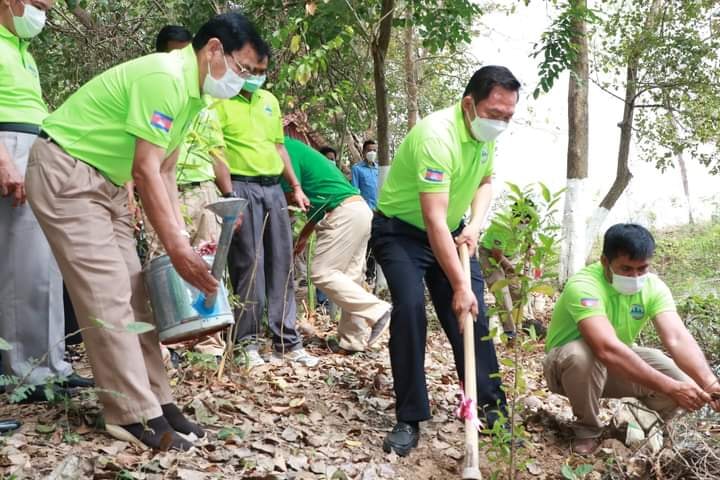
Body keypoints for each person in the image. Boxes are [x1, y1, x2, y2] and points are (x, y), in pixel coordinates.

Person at [25, 11, 264, 450]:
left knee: (138, 295)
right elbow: (146, 168)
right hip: (68, 174)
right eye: (243, 68)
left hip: (109, 186)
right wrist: (176, 249)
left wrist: (181, 242)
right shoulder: (165, 77)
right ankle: (131, 415)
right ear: (213, 48)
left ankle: (159, 401)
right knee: (108, 294)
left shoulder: (194, 96)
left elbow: (167, 171)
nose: (244, 81)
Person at [371, 65, 521, 456]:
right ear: (469, 104)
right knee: (410, 310)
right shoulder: (437, 136)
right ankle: (409, 417)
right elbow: (432, 219)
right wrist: (458, 284)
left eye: (508, 116)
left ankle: (490, 409)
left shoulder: (485, 137)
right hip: (401, 231)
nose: (501, 123)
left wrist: (474, 224)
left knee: (474, 317)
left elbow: (485, 182)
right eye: (494, 114)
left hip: (452, 233)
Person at [544, 223, 720, 454]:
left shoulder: (654, 287)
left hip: (614, 367)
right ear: (605, 261)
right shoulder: (583, 285)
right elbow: (606, 348)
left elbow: (677, 338)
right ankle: (587, 430)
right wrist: (671, 387)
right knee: (583, 354)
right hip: (567, 369)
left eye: (642, 269)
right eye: (626, 269)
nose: (635, 276)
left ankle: (644, 422)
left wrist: (711, 384)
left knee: (682, 379)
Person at [0, 0, 92, 403]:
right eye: (38, 4)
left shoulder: (22, 51)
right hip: (9, 147)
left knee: (46, 265)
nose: (44, 13)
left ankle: (53, 364)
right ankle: (28, 372)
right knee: (23, 269)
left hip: (35, 147)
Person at [213, 44, 318, 368]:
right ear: (236, 67)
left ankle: (287, 341)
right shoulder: (218, 103)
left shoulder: (269, 101)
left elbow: (280, 148)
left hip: (273, 188)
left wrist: (296, 187)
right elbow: (217, 153)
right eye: (250, 70)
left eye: (262, 72)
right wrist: (230, 196)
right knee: (248, 265)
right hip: (241, 186)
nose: (256, 77)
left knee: (282, 263)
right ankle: (247, 343)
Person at [143, 25, 234, 359]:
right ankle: (165, 344)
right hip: (164, 188)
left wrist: (227, 199)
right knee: (161, 262)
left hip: (204, 190)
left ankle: (209, 343)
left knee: (209, 260)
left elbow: (217, 153)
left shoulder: (206, 102)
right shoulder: (156, 88)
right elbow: (141, 158)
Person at [283, 137, 391, 353]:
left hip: (342, 213)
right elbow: (314, 200)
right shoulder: (300, 151)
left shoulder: (283, 150)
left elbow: (290, 195)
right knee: (351, 278)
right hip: (358, 209)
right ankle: (352, 341)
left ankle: (377, 309)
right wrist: (304, 235)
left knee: (322, 272)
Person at [478, 201, 536, 340]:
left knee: (516, 291)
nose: (524, 223)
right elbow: (497, 255)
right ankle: (510, 333)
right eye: (522, 221)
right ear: (514, 216)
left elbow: (529, 239)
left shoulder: (529, 222)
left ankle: (521, 324)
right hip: (490, 254)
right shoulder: (502, 226)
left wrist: (530, 248)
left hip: (510, 255)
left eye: (527, 221)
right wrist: (512, 270)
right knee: (501, 290)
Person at [351, 140, 379, 283]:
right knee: (365, 243)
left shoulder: (379, 169)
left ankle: (373, 275)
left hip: (380, 212)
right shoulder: (357, 169)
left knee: (377, 243)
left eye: (374, 150)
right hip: (365, 212)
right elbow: (355, 190)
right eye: (369, 150)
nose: (372, 153)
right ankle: (366, 274)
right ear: (363, 152)